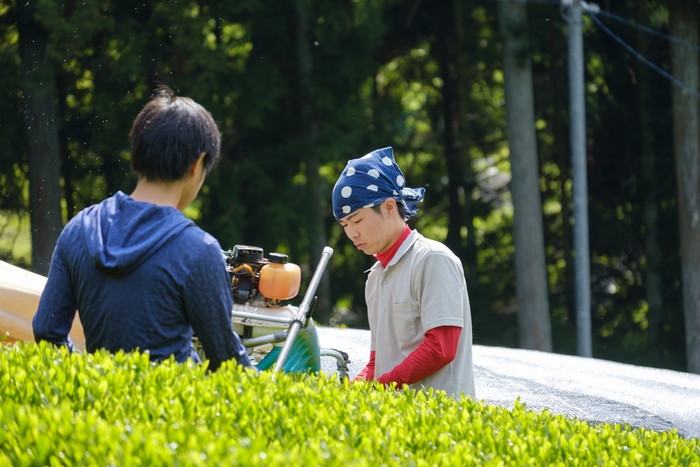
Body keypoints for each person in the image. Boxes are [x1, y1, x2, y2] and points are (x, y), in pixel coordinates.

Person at [33, 86, 252, 372]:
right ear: (197, 165)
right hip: (172, 411)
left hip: (98, 409)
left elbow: (48, 333)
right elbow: (228, 365)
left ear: (137, 151)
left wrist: (96, 379)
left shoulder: (78, 229)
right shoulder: (198, 250)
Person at [332, 147, 476, 398]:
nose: (351, 233)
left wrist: (379, 387)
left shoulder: (432, 259)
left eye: (356, 221)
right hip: (396, 423)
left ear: (389, 207)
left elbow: (441, 348)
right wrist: (354, 390)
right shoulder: (375, 278)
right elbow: (379, 362)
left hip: (444, 426)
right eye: (345, 225)